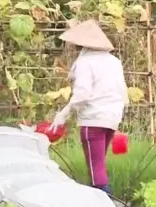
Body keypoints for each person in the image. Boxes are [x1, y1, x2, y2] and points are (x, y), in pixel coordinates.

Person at [49, 20, 127, 195]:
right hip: (112, 117)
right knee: (98, 163)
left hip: (93, 118)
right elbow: (122, 91)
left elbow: (83, 94)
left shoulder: (85, 62)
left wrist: (64, 113)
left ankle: (105, 203)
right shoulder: (114, 62)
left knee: (95, 167)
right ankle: (102, 202)